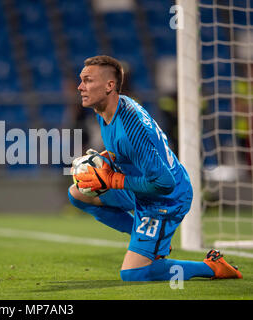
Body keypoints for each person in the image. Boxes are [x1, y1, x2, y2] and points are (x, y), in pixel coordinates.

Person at [68, 55, 243, 281]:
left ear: (110, 85)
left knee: (133, 274)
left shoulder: (131, 128)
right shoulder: (108, 109)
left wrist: (111, 180)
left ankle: (212, 267)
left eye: (88, 80)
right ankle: (147, 239)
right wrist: (103, 162)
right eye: (81, 80)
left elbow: (164, 183)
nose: (80, 86)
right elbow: (125, 152)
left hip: (166, 198)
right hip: (139, 186)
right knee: (77, 192)